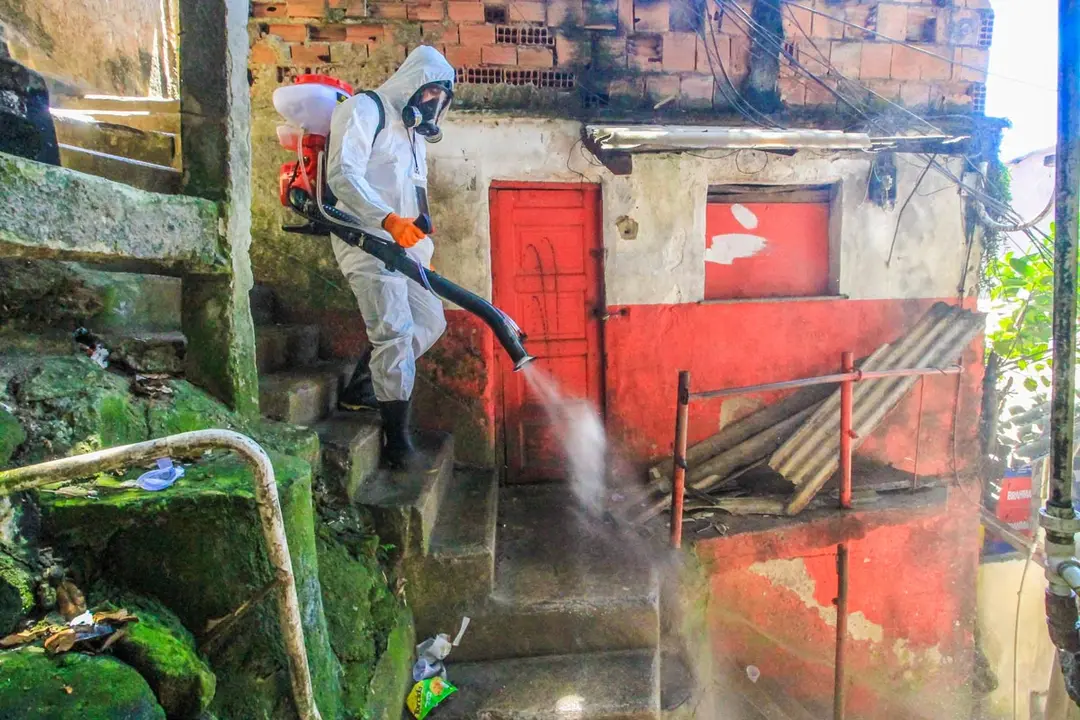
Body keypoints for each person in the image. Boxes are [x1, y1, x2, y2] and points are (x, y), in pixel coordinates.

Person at [326, 46, 454, 469]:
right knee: (396, 333)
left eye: (442, 97)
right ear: (412, 81)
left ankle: (365, 382)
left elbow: (414, 204)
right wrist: (385, 219)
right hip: (365, 240)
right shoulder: (366, 109)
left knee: (431, 320)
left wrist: (423, 252)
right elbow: (343, 173)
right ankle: (397, 441)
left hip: (405, 249)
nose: (434, 101)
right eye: (430, 90)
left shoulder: (413, 136)